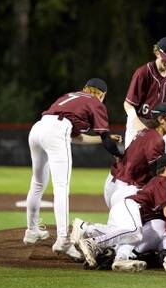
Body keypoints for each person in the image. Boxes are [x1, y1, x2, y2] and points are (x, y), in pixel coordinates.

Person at [24, 78, 122, 260]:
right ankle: (63, 240)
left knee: (37, 183)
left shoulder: (70, 96)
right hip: (56, 130)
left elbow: (75, 137)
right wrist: (119, 155)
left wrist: (103, 140)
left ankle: (31, 230)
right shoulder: (95, 102)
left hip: (38, 128)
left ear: (85, 88)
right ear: (102, 95)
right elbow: (105, 138)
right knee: (61, 187)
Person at [77, 153, 166, 271]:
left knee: (131, 236)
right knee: (135, 232)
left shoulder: (161, 182)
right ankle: (94, 243)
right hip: (130, 206)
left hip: (124, 209)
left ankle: (119, 257)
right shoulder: (164, 180)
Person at [101, 102, 166, 210]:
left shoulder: (145, 132)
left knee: (119, 223)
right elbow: (157, 174)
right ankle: (86, 227)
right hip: (126, 189)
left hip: (115, 181)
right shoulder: (155, 139)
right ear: (161, 119)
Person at [123, 36, 166, 152]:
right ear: (157, 52)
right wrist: (137, 123)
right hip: (141, 121)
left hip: (162, 126)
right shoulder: (143, 73)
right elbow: (128, 104)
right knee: (132, 165)